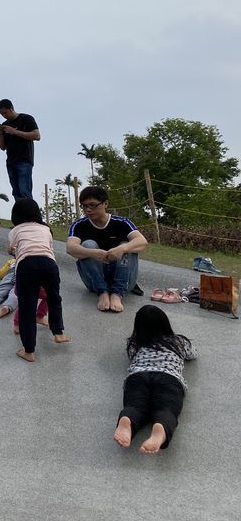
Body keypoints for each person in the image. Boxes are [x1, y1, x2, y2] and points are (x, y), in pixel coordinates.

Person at [113, 305, 196, 454]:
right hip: (169, 377)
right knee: (167, 408)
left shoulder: (135, 343)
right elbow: (192, 354)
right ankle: (160, 428)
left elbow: (131, 357)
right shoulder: (178, 341)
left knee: (135, 406)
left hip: (138, 375)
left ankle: (127, 419)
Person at [66, 186, 148, 313]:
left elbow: (142, 241)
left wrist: (122, 248)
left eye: (93, 205)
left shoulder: (121, 222)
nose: (88, 210)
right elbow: (70, 248)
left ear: (105, 204)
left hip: (124, 278)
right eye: (84, 206)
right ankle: (102, 293)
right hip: (93, 280)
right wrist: (93, 253)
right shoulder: (79, 225)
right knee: (87, 245)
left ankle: (117, 294)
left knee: (128, 245)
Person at [8, 198, 70, 362]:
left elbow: (11, 249)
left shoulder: (15, 230)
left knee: (27, 306)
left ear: (15, 214)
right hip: (49, 264)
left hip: (27, 265)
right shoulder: (45, 229)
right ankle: (58, 332)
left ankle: (29, 351)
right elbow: (49, 247)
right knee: (54, 298)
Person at [0, 99, 40, 200]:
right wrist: (0, 134)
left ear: (11, 109)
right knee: (16, 192)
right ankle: (20, 214)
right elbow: (2, 147)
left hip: (24, 160)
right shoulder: (5, 124)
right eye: (2, 114)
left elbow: (37, 136)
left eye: (5, 112)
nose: (4, 115)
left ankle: (30, 213)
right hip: (11, 161)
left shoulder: (26, 119)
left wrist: (15, 132)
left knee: (25, 190)